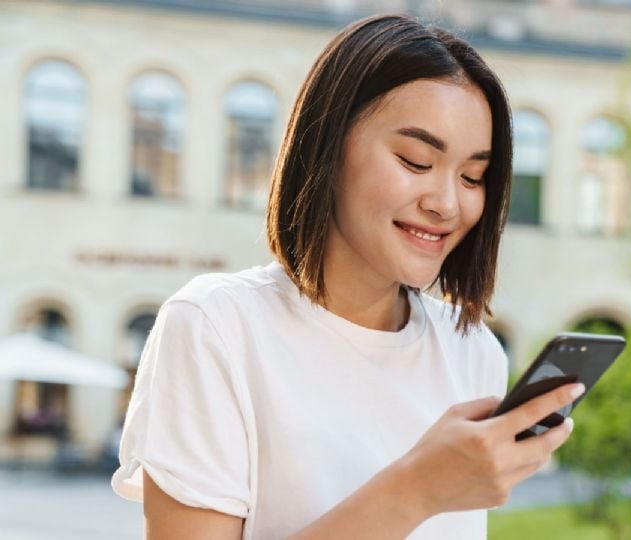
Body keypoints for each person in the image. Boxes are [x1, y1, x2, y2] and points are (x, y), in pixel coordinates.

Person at [110, 13, 583, 540]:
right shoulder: (217, 328)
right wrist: (416, 489)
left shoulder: (473, 353)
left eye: (473, 176)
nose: (447, 203)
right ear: (329, 148)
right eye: (416, 160)